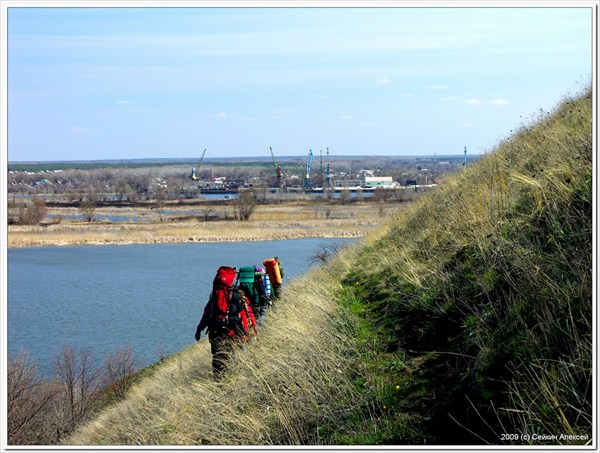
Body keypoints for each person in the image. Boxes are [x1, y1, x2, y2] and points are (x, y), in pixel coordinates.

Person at [195, 266, 257, 379]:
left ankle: (218, 381)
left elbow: (207, 311)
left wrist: (200, 328)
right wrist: (249, 335)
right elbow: (246, 316)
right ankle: (229, 380)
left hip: (215, 331)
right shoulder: (237, 297)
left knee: (217, 357)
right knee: (229, 356)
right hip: (231, 332)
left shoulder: (214, 295)